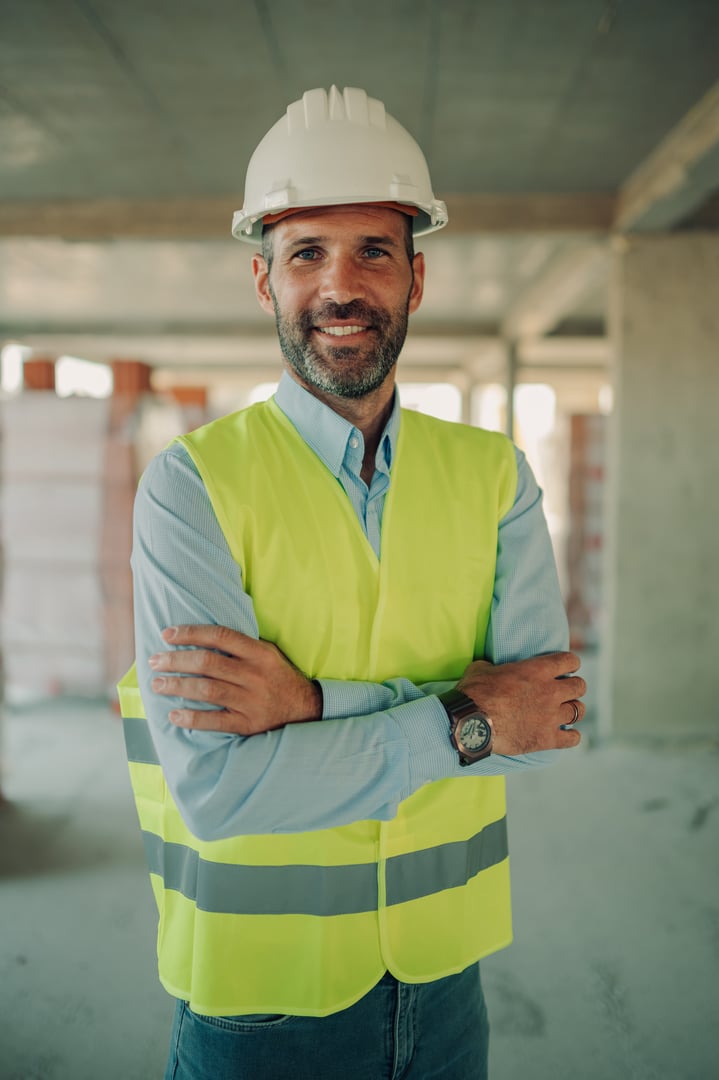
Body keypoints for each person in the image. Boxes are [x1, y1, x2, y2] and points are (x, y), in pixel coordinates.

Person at [119, 85, 585, 1080]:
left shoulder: (491, 475)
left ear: (416, 280)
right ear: (264, 283)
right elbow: (218, 791)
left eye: (372, 250)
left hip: (443, 991)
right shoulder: (192, 487)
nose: (340, 286)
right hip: (257, 1006)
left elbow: (542, 728)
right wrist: (468, 715)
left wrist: (316, 706)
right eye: (306, 253)